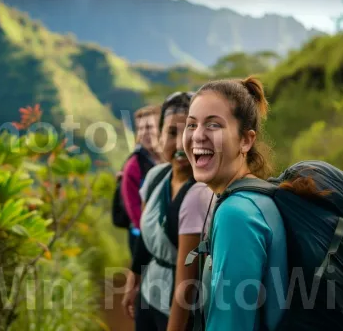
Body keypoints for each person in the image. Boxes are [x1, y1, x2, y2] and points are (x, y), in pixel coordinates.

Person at [182, 76, 289, 331]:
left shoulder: (236, 215)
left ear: (246, 140)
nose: (197, 136)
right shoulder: (257, 198)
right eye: (191, 125)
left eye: (213, 125)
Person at [121, 91, 215, 331]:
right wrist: (133, 282)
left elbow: (187, 283)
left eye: (190, 131)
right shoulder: (155, 178)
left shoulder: (199, 194)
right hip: (149, 295)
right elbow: (144, 234)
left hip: (177, 310)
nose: (182, 143)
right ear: (160, 137)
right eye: (172, 132)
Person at [121, 105, 162, 250]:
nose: (145, 133)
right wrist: (153, 236)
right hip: (142, 239)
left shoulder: (172, 160)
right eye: (140, 128)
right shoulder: (133, 166)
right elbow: (133, 208)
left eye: (150, 127)